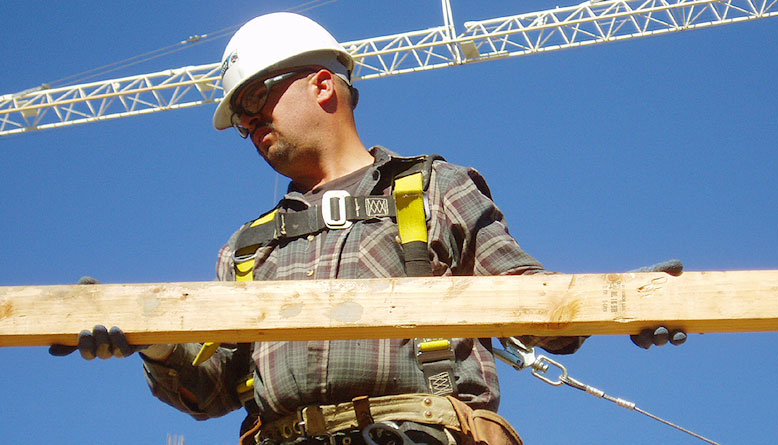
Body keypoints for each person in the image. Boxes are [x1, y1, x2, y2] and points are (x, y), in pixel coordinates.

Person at [50, 12, 684, 445]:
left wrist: (624, 303)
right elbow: (211, 392)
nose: (248, 124)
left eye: (255, 101)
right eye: (240, 118)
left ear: (324, 85)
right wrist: (155, 347)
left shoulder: (432, 188)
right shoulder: (248, 249)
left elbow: (531, 301)